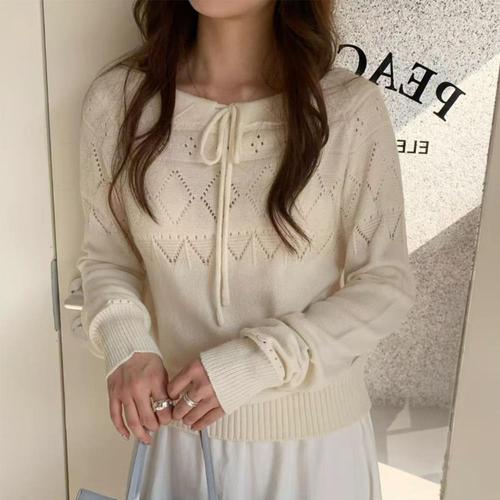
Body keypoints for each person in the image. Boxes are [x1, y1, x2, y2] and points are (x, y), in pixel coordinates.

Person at [76, 0, 416, 498]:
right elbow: (108, 259)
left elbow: (385, 286)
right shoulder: (119, 103)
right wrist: (126, 342)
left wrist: (259, 361)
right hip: (179, 445)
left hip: (315, 451)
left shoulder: (348, 109)